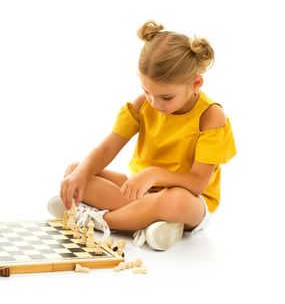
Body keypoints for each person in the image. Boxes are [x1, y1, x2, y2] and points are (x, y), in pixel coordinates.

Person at [48, 21, 236, 250]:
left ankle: (99, 221)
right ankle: (148, 224)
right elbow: (107, 148)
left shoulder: (211, 117)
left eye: (166, 97)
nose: (155, 104)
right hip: (140, 193)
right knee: (75, 171)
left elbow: (197, 183)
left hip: (188, 201)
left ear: (195, 83)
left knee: (174, 200)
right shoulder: (141, 106)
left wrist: (153, 174)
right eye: (147, 92)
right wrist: (81, 173)